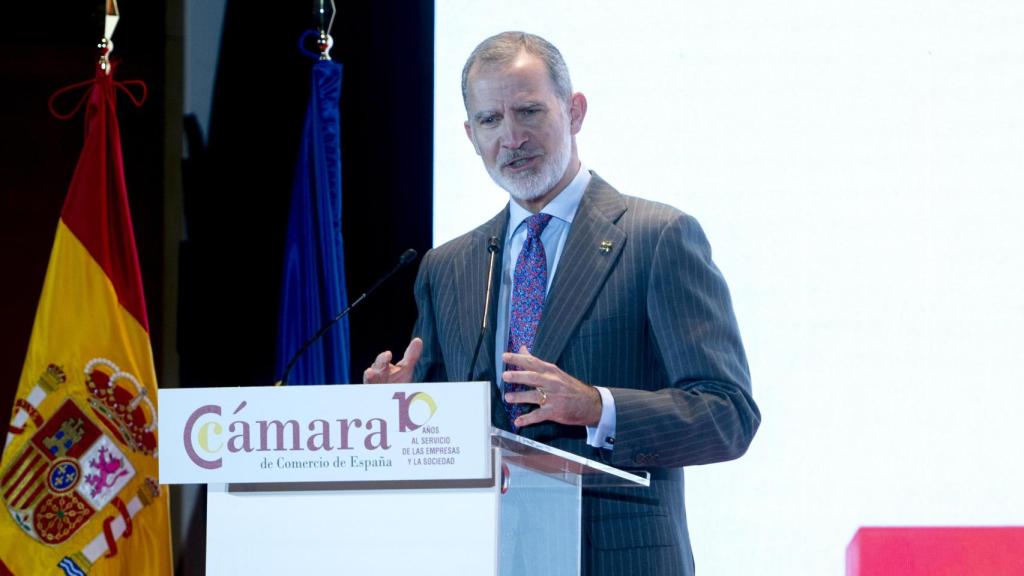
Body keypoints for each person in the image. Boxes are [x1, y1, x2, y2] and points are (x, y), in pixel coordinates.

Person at [364, 31, 760, 576]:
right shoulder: (447, 267)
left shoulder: (657, 238)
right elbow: (446, 435)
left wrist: (597, 407)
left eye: (529, 112)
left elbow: (728, 415)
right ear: (469, 134)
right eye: (489, 120)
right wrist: (400, 413)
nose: (511, 138)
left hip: (621, 559)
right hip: (488, 555)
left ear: (574, 112)